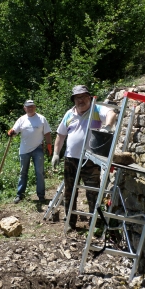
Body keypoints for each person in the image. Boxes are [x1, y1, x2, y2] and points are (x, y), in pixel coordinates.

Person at [52, 85, 117, 229]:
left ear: (89, 97)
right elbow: (61, 135)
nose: (80, 100)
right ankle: (70, 222)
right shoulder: (69, 114)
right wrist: (56, 153)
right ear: (74, 99)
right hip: (71, 159)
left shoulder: (96, 109)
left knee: (93, 191)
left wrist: (107, 126)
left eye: (83, 97)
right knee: (69, 191)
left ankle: (96, 223)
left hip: (91, 159)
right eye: (77, 98)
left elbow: (112, 113)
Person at [8, 100, 52, 204]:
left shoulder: (41, 118)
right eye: (28, 107)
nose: (30, 108)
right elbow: (14, 132)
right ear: (25, 108)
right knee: (23, 172)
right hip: (24, 150)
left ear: (35, 107)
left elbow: (47, 133)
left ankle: (41, 196)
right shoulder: (21, 120)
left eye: (32, 106)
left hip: (38, 149)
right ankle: (20, 195)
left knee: (39, 173)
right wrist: (11, 132)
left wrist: (49, 145)